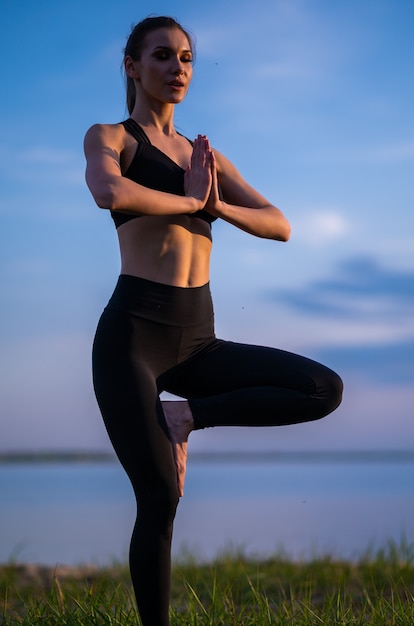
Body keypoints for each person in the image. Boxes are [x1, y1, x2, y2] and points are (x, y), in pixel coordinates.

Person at [84, 15, 343, 626]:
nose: (177, 68)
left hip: (199, 342)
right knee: (160, 500)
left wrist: (217, 203)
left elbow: (279, 224)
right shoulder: (111, 137)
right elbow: (110, 192)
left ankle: (188, 414)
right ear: (132, 66)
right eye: (161, 56)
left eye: (187, 58)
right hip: (132, 340)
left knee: (322, 389)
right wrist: (190, 201)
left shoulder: (206, 155)